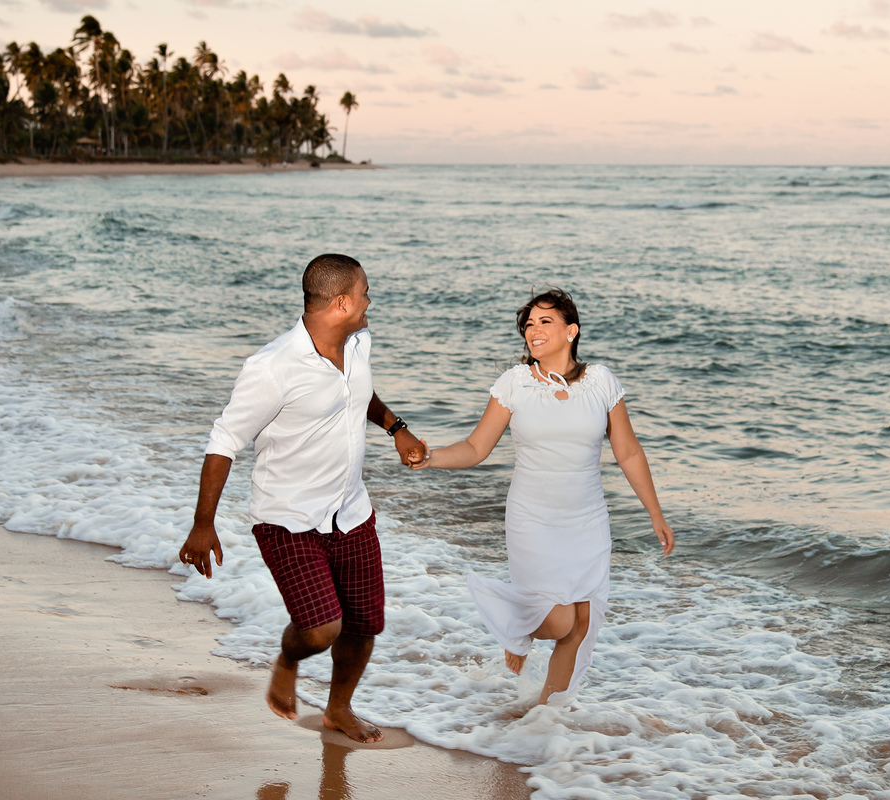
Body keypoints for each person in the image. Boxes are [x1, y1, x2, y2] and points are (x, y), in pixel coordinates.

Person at [178, 253, 426, 743]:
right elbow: (224, 440)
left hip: (351, 512)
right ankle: (289, 657)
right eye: (364, 293)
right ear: (340, 302)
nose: (369, 301)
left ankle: (338, 709)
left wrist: (397, 428)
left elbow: (359, 394)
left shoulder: (358, 345)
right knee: (320, 630)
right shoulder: (272, 368)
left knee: (362, 624)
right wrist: (202, 524)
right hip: (287, 517)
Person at [410, 288, 674, 705]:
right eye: (529, 324)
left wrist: (655, 513)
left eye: (544, 321)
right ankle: (518, 629)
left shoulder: (602, 382)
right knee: (559, 618)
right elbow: (477, 447)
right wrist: (431, 457)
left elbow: (628, 451)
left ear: (572, 331)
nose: (533, 330)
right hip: (532, 520)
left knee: (580, 624)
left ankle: (546, 714)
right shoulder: (514, 384)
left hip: (587, 521)